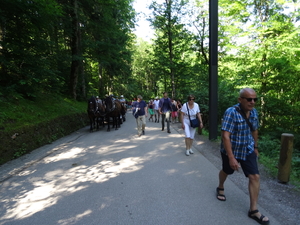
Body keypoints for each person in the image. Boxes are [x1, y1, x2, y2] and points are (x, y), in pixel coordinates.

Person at [216, 88, 269, 225]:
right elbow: (225, 136)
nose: (252, 102)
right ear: (240, 100)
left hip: (247, 149)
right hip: (231, 150)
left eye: (254, 99)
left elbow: (254, 130)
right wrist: (231, 157)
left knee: (255, 176)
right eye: (249, 99)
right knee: (227, 171)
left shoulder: (254, 112)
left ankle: (253, 210)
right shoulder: (231, 112)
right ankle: (220, 186)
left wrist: (255, 147)